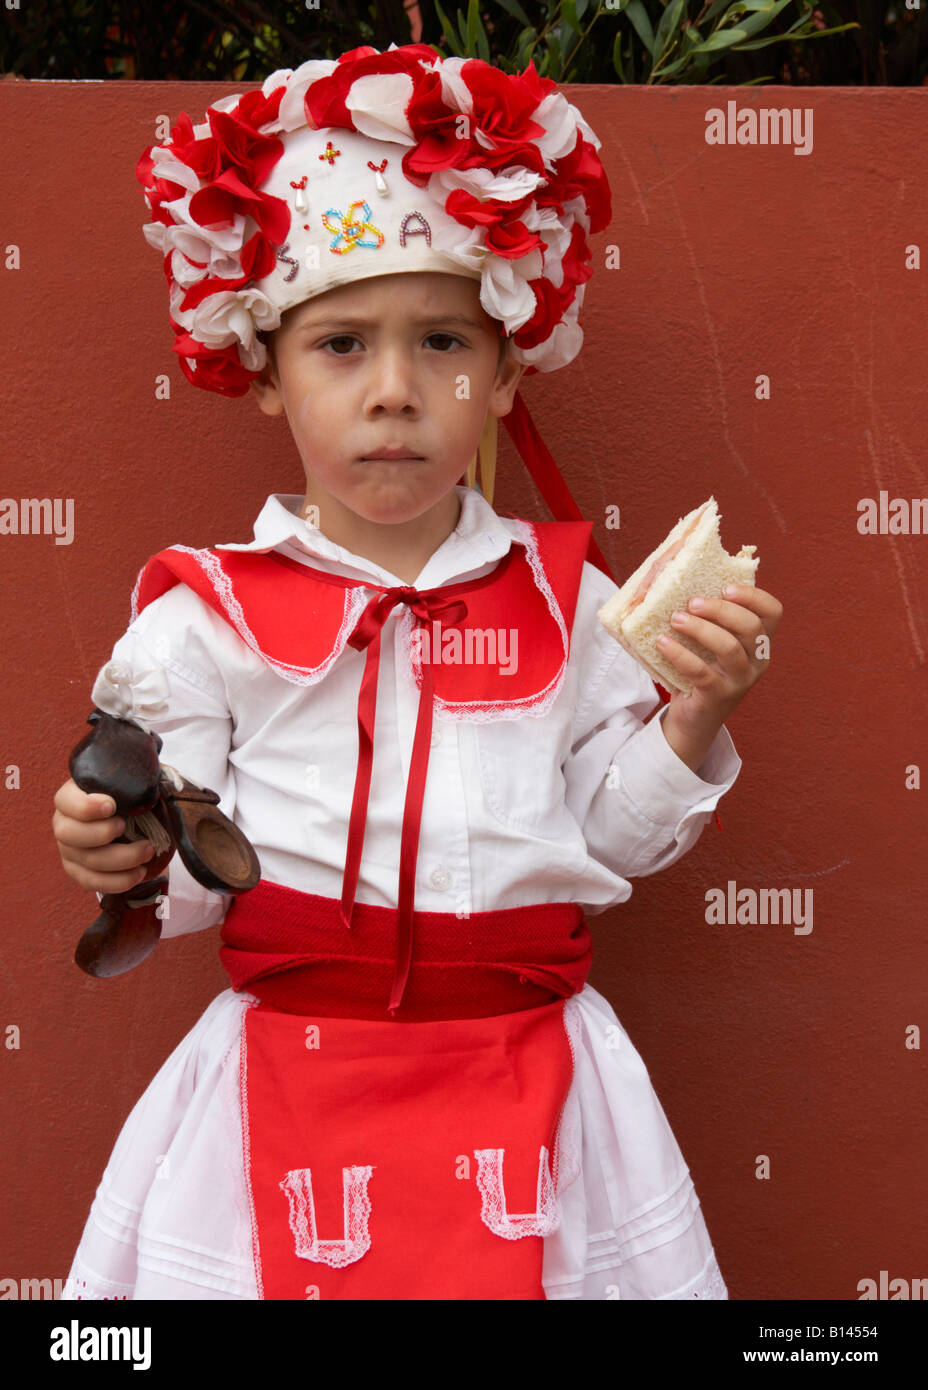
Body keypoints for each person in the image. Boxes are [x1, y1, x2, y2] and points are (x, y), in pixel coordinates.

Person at [52, 43, 783, 1300]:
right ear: (268, 371)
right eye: (340, 346)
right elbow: (176, 872)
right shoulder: (203, 619)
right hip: (279, 1079)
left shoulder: (575, 605)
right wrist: (116, 851)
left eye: (442, 340)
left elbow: (610, 843)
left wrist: (690, 715)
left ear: (505, 374)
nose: (394, 390)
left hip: (535, 1080)